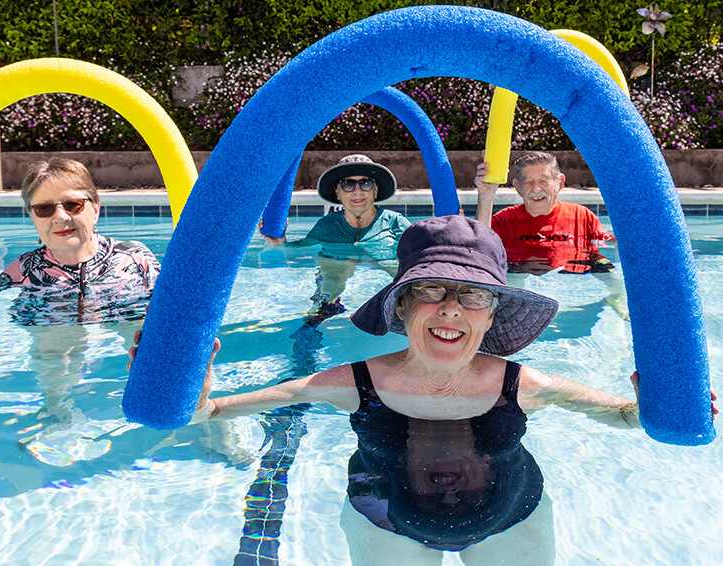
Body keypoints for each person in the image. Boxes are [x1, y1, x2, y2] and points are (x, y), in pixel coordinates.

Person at [133, 216, 713, 563]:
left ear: (492, 316)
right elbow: (208, 412)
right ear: (403, 306)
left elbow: (620, 417)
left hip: (511, 519)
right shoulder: (352, 382)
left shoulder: (521, 382)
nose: (452, 310)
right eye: (433, 290)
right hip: (386, 522)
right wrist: (191, 388)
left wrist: (655, 406)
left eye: (473, 296)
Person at [0, 157, 160, 324]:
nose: (60, 217)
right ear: (32, 218)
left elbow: (179, 302)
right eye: (44, 209)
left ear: (95, 209)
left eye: (73, 205)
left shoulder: (134, 257)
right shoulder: (26, 268)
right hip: (52, 354)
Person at [261, 154, 411, 324]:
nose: (357, 190)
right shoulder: (327, 226)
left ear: (376, 190)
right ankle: (325, 311)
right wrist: (278, 243)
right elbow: (298, 250)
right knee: (322, 297)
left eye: (366, 183)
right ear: (337, 193)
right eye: (347, 183)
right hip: (334, 284)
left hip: (387, 297)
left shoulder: (395, 224)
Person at [474, 151, 615, 275]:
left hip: (573, 287)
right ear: (518, 187)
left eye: (544, 181)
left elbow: (613, 246)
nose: (536, 189)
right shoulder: (504, 221)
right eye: (528, 182)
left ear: (559, 183)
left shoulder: (582, 216)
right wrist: (486, 195)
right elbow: (477, 253)